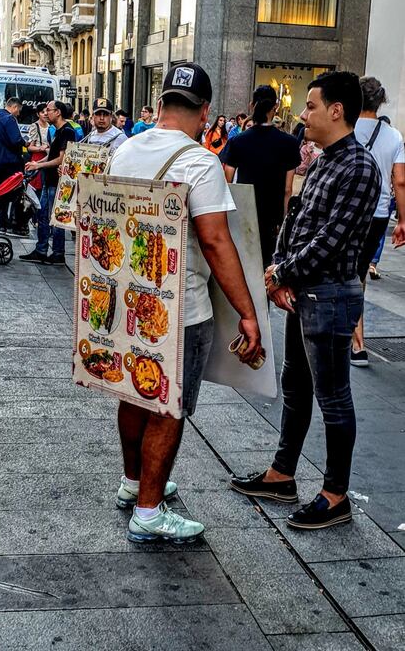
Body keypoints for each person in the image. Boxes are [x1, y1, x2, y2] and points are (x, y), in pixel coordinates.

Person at [110, 61, 262, 543]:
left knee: (135, 392)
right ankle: (150, 512)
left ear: (158, 106)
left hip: (128, 301)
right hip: (179, 309)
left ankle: (134, 483)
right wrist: (247, 312)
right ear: (206, 112)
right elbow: (216, 243)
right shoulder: (200, 162)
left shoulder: (124, 150)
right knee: (168, 408)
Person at [231, 72, 381, 531]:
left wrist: (281, 272)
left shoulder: (358, 166)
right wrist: (279, 270)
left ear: (337, 110)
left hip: (331, 295)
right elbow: (294, 222)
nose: (303, 114)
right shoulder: (322, 160)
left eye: (311, 105)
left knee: (333, 396)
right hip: (304, 292)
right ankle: (283, 474)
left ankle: (335, 495)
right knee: (295, 384)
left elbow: (331, 240)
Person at [351, 77, 405, 365]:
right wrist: (403, 220)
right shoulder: (394, 136)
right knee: (358, 276)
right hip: (379, 213)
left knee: (345, 273)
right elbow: (400, 180)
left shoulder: (345, 127)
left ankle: (348, 338)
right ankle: (356, 341)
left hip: (348, 211)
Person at [220, 85, 300, 267]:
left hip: (244, 214)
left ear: (251, 106)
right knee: (267, 266)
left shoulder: (237, 141)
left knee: (245, 266)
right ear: (276, 106)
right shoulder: (289, 143)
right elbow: (288, 189)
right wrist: (284, 220)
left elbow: (228, 182)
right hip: (273, 218)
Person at [19, 101, 76, 265]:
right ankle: (41, 250)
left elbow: (62, 159)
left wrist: (40, 165)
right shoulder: (57, 131)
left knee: (55, 218)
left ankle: (58, 253)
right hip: (48, 180)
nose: (46, 113)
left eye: (48, 110)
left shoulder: (68, 131)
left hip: (57, 182)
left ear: (58, 112)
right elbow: (51, 154)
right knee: (43, 215)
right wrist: (37, 165)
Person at [0, 97, 25, 235]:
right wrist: (25, 143)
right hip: (10, 162)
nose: (18, 114)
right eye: (19, 111)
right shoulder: (9, 119)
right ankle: (12, 224)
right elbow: (16, 140)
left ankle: (2, 225)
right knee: (13, 193)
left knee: (0, 193)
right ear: (15, 107)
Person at [27, 103, 49, 196]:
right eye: (42, 112)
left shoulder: (50, 126)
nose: (45, 114)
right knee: (37, 187)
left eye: (46, 111)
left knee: (46, 185)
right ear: (38, 114)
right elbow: (30, 147)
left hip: (49, 157)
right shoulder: (35, 126)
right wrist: (41, 148)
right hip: (38, 157)